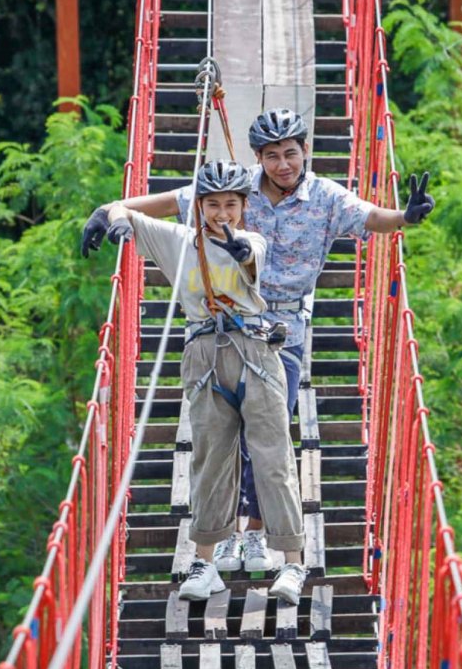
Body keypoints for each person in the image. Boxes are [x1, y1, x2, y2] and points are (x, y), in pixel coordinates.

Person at [82, 108, 437, 572]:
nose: (283, 164)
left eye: (291, 153)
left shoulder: (326, 198)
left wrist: (405, 217)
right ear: (259, 158)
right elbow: (175, 203)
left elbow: (371, 217)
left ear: (306, 151)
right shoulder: (237, 190)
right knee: (225, 437)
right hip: (225, 327)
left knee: (268, 430)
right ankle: (227, 537)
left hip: (283, 327)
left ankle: (252, 532)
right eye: (273, 156)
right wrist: (114, 208)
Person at [82, 161, 311, 604]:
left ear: (244, 207)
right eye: (213, 204)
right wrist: (111, 222)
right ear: (198, 206)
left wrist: (238, 246)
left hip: (255, 352)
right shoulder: (177, 241)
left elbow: (248, 255)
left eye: (231, 204)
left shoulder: (254, 239)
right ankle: (205, 563)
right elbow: (121, 210)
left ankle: (292, 564)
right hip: (204, 354)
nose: (222, 213)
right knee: (209, 460)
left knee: (272, 457)